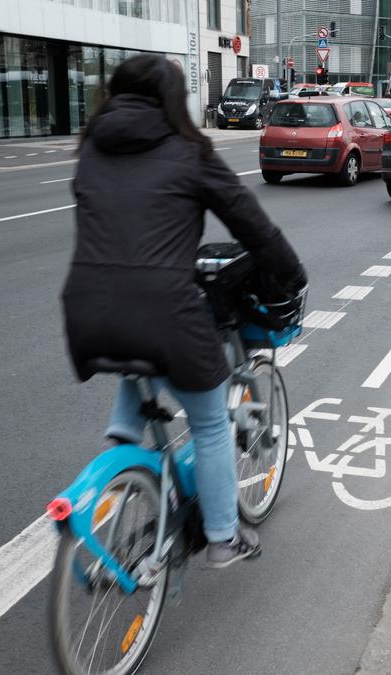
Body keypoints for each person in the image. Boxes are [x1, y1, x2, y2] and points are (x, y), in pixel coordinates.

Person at [61, 54, 306, 569]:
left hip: (85, 310)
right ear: (175, 100)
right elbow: (251, 224)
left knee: (137, 359)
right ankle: (223, 537)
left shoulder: (90, 149)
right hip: (164, 311)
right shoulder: (188, 151)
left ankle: (121, 461)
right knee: (212, 423)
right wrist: (290, 273)